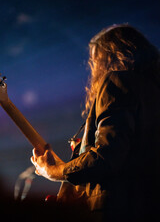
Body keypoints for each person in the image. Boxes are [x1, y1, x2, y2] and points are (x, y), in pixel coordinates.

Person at [31, 24, 160, 221]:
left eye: (95, 60)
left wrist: (54, 171)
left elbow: (106, 157)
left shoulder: (117, 81)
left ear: (109, 58)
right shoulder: (152, 90)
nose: (94, 67)